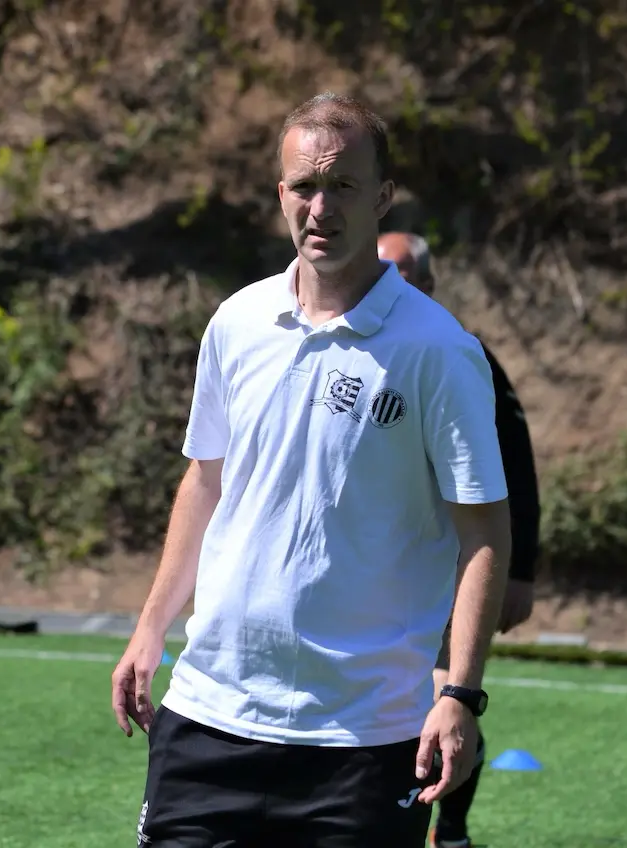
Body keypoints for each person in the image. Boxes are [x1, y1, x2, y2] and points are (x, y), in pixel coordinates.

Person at [111, 92, 512, 848]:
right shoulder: (236, 321)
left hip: (365, 741)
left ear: (383, 197)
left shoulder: (438, 351)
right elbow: (205, 482)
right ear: (280, 194)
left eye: (343, 186)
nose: (320, 208)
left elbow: (485, 530)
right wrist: (151, 627)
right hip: (209, 716)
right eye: (304, 186)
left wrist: (459, 692)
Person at [378, 231, 542, 848]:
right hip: (382, 571)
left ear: (427, 282)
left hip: (452, 564)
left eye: (396, 269)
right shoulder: (351, 345)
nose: (382, 278)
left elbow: (516, 468)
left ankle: (449, 830)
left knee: (447, 695)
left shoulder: (459, 351)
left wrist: (520, 569)